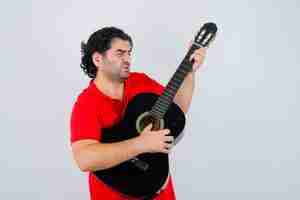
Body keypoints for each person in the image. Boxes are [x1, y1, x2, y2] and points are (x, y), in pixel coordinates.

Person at [70, 27, 206, 200]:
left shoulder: (140, 81)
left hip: (161, 193)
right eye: (120, 53)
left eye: (129, 53)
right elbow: (84, 159)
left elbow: (176, 112)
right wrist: (141, 144)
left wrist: (190, 72)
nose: (127, 59)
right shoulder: (87, 103)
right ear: (98, 59)